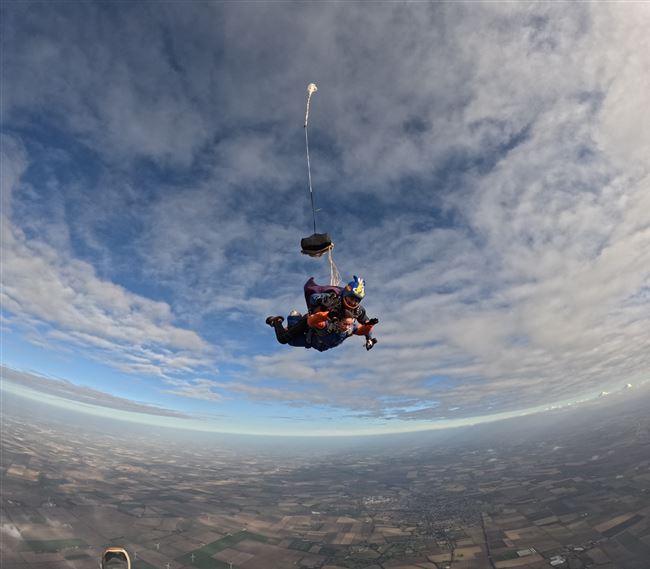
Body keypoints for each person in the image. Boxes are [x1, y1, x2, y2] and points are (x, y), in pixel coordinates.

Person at [266, 276, 378, 352]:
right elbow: (313, 297)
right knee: (284, 339)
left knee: (304, 339)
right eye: (351, 298)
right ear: (345, 294)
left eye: (356, 301)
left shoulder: (358, 310)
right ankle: (277, 321)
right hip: (313, 321)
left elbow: (366, 324)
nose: (352, 303)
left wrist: (369, 338)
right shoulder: (334, 298)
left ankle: (294, 320)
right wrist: (322, 300)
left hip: (322, 335)